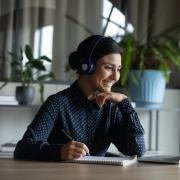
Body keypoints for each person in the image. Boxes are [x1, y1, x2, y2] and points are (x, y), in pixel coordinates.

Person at [14, 35, 146, 161]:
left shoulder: (112, 108)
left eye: (118, 69)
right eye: (109, 68)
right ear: (87, 66)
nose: (116, 77)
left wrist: (124, 102)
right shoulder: (58, 103)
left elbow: (138, 149)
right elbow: (23, 148)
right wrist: (59, 151)